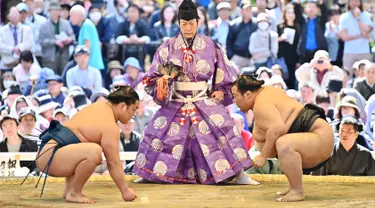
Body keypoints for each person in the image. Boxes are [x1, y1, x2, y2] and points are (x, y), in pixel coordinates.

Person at [133, 0, 257, 185]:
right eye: (184, 24)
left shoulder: (210, 45)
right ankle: (149, 174)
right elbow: (151, 77)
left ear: (198, 22)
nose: (188, 28)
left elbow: (225, 73)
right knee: (158, 130)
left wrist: (220, 91)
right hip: (175, 99)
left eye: (191, 23)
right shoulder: (167, 46)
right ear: (178, 24)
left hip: (202, 98)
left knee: (224, 126)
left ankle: (239, 174)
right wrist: (163, 83)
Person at [25, 86, 139, 203]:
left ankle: (69, 190)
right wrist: (125, 191)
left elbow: (74, 141)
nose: (133, 114)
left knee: (88, 150)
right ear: (123, 106)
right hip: (51, 157)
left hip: (49, 152)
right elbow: (113, 163)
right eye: (134, 109)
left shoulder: (98, 106)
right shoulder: (110, 126)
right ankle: (75, 193)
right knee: (93, 152)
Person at [232, 73, 334, 202]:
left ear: (247, 94)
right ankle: (293, 187)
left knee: (284, 144)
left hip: (319, 136)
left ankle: (297, 190)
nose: (234, 101)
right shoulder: (265, 93)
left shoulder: (261, 103)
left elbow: (277, 128)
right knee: (282, 143)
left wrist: (263, 156)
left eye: (235, 96)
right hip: (314, 135)